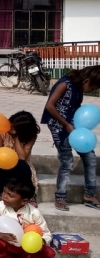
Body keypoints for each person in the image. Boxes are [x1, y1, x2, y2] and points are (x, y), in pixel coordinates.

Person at [41, 65, 100, 211]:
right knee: (66, 161)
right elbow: (49, 106)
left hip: (74, 125)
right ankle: (60, 196)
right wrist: (66, 124)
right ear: (87, 80)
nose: (92, 91)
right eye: (93, 87)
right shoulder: (65, 83)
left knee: (90, 158)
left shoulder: (79, 87)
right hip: (59, 126)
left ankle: (89, 195)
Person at [0, 111, 39, 204]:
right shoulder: (3, 131)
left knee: (22, 165)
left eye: (13, 128)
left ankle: (28, 195)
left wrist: (16, 137)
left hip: (20, 165)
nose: (9, 128)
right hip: (4, 164)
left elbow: (22, 157)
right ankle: (1, 192)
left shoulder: (30, 136)